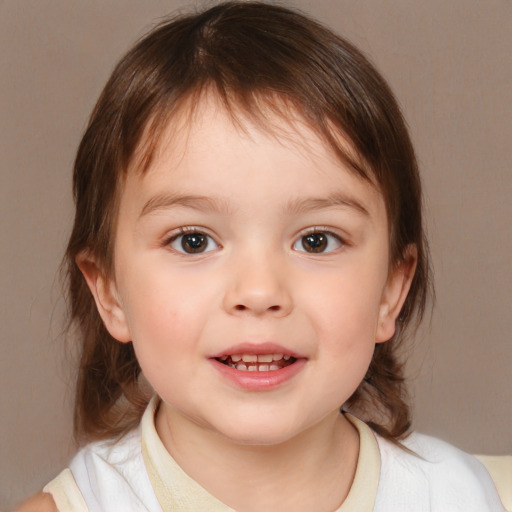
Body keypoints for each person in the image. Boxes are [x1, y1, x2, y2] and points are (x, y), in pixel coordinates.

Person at [17, 2, 505, 511]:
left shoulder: (476, 497)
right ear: (110, 291)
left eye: (317, 240)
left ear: (391, 290)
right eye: (193, 241)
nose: (259, 292)